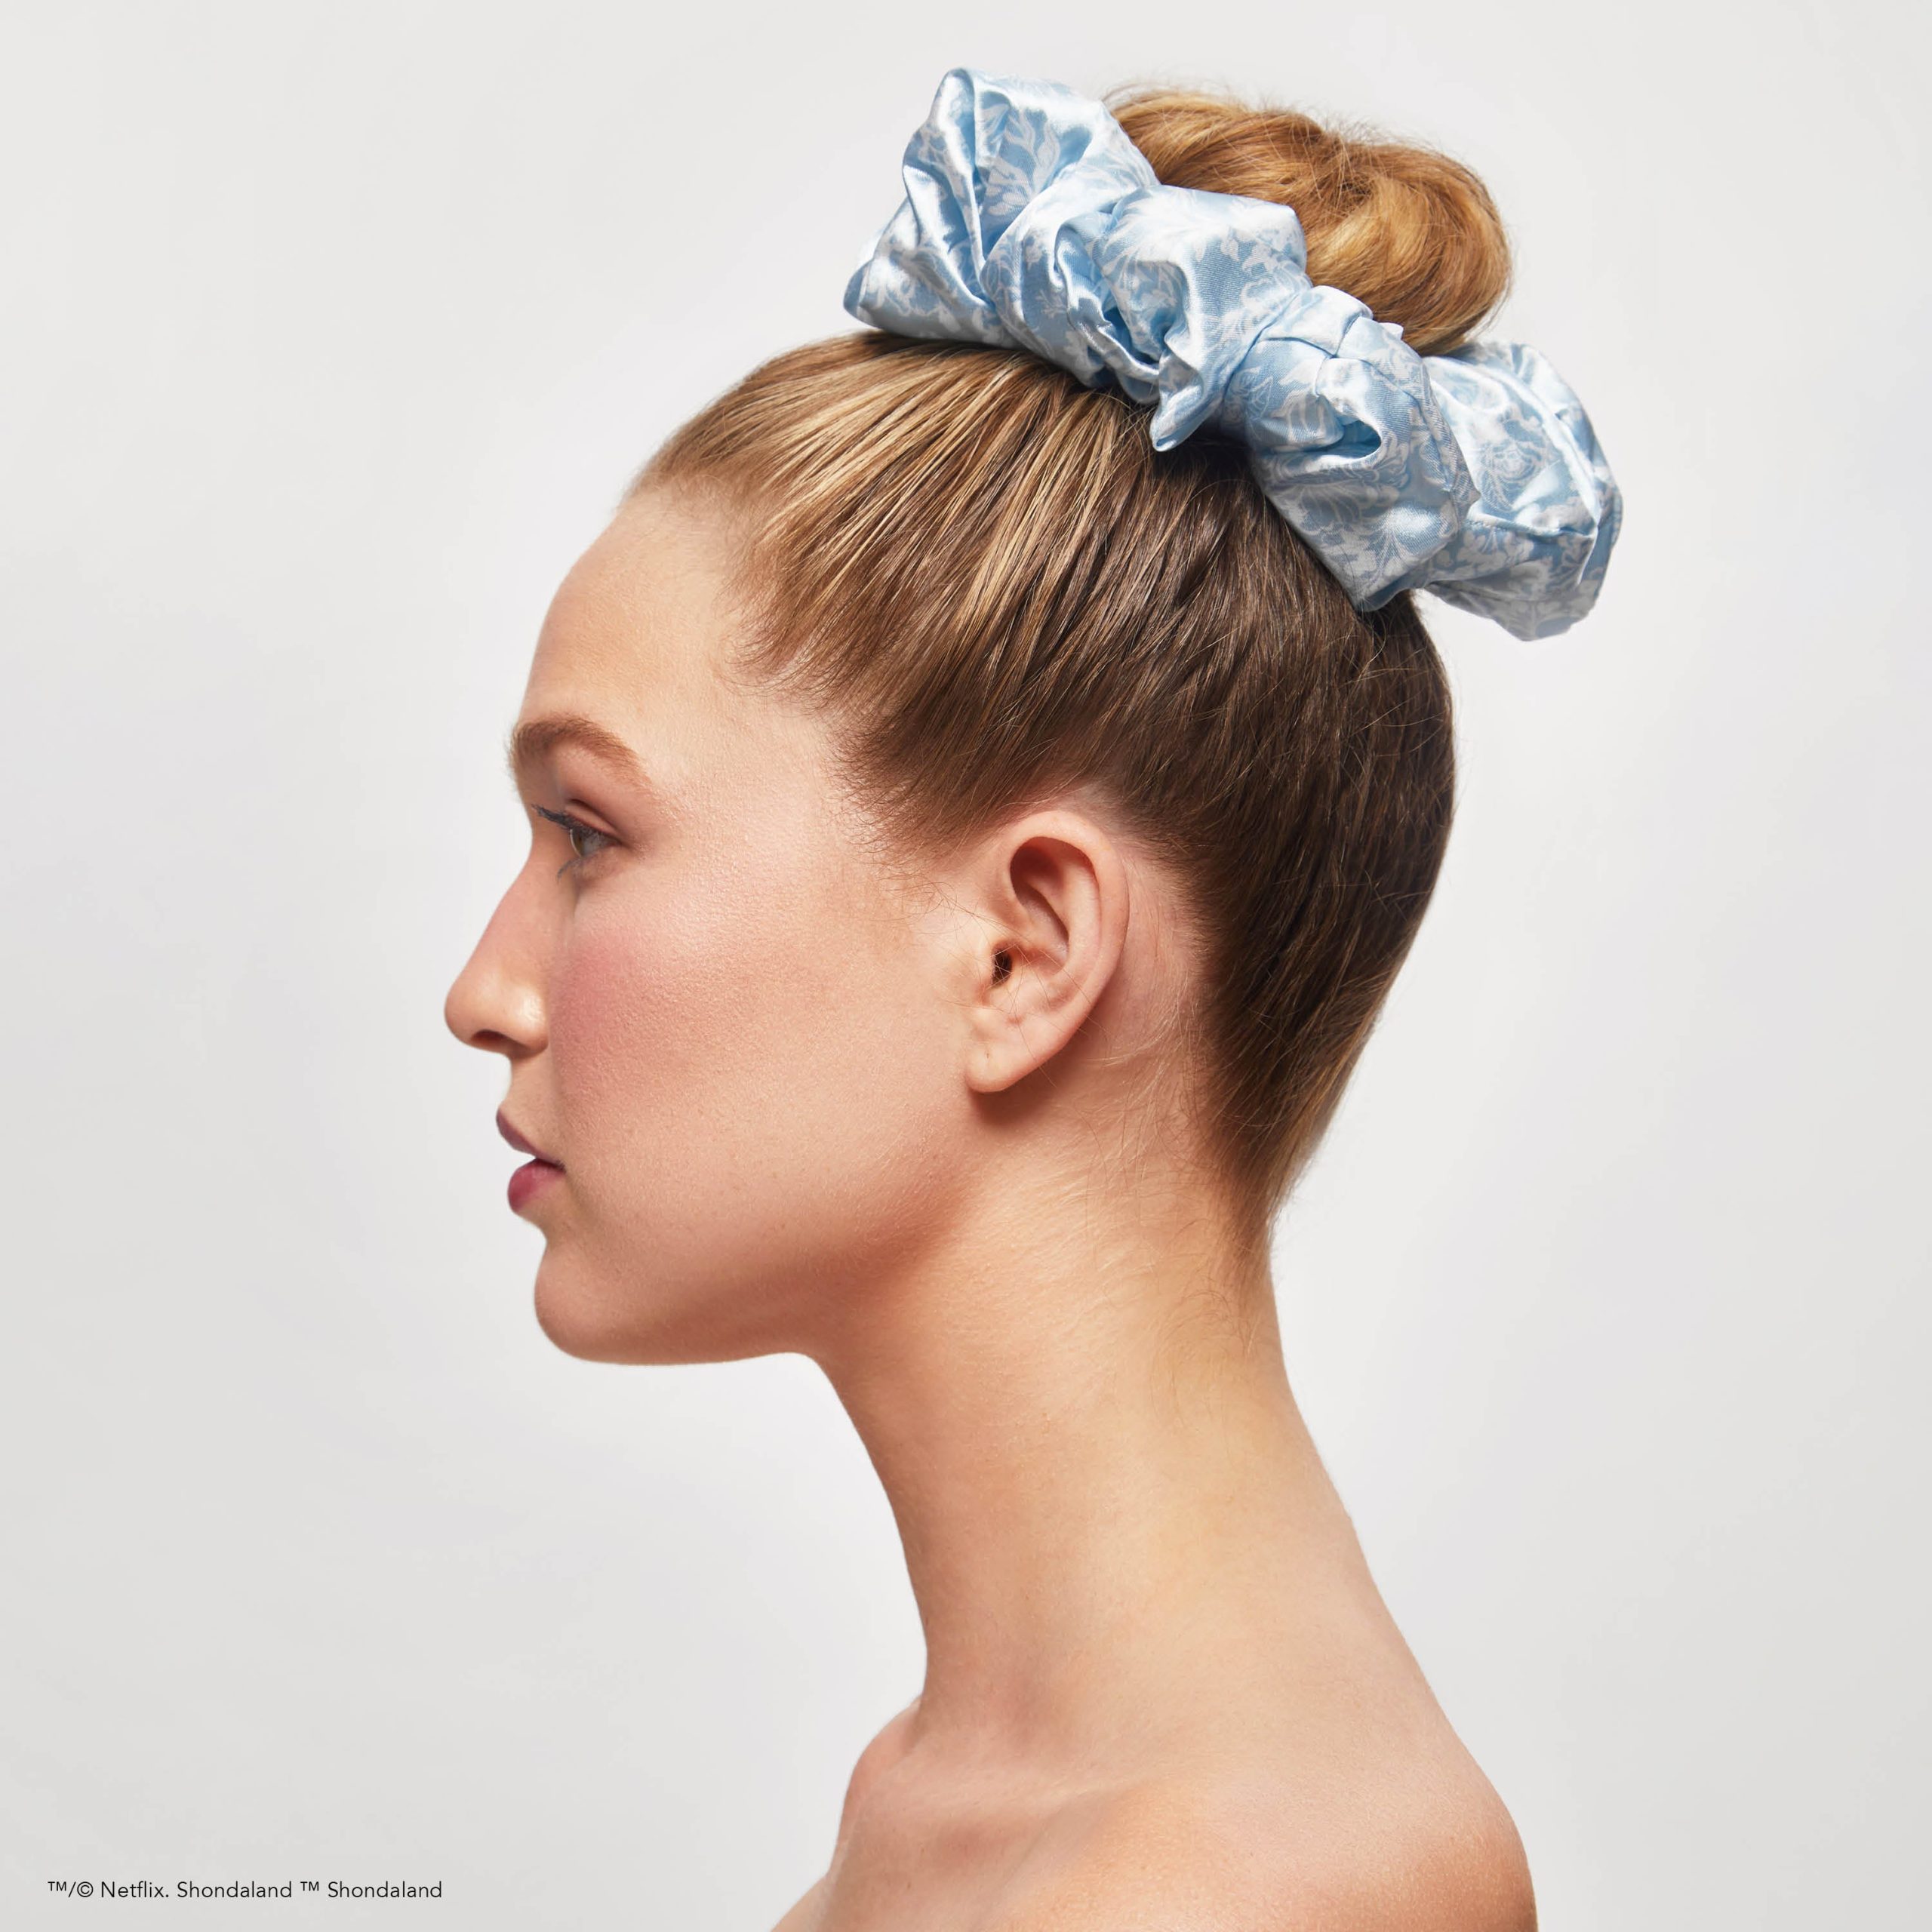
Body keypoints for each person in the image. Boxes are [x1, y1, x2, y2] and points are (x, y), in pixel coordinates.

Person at [445, 67, 1619, 1932]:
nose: (484, 989)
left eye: (589, 833)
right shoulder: (952, 1812)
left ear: (1022, 951)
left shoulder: (1238, 1890)